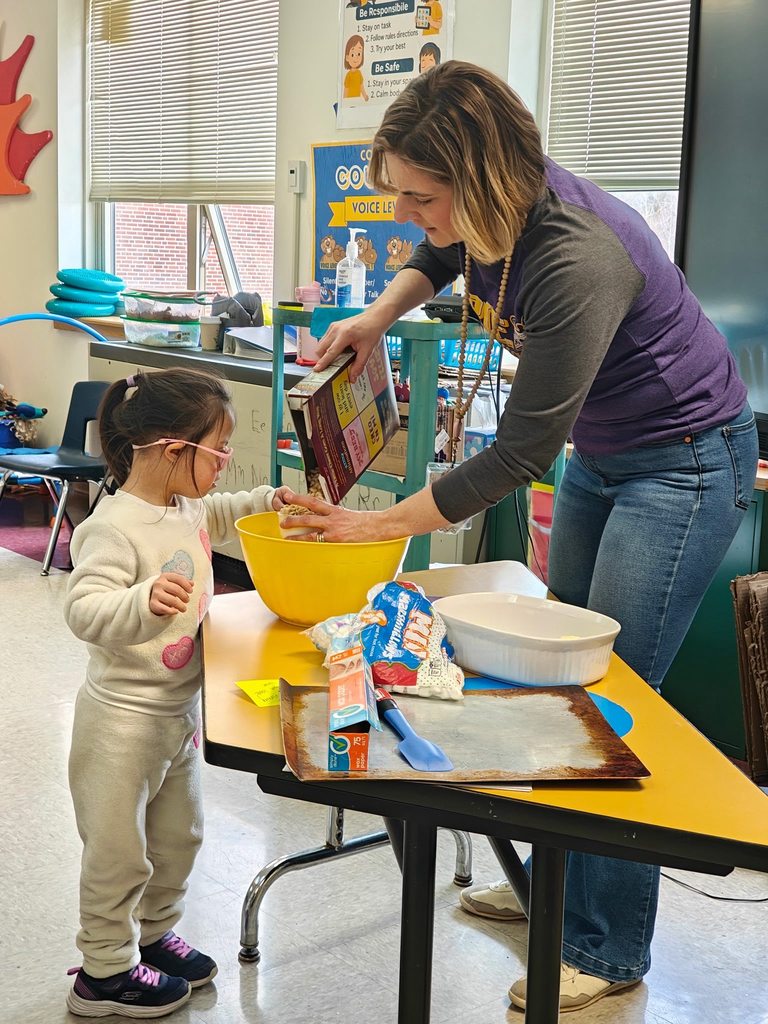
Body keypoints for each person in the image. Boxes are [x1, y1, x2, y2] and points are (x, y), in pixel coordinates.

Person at [278, 60, 758, 1014]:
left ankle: (608, 946)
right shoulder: (490, 220)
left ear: (483, 176)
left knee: (614, 701)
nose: (413, 217)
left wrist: (382, 523)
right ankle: (549, 892)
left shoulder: (578, 253)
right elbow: (447, 259)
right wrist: (375, 317)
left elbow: (520, 452)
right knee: (548, 686)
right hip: (607, 453)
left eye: (423, 197)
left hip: (684, 464)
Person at [64, 367, 292, 1018]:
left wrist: (267, 500)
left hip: (176, 715)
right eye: (218, 451)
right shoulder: (112, 525)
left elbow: (216, 512)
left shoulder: (182, 504)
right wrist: (140, 602)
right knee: (117, 854)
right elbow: (84, 608)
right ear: (172, 451)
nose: (225, 464)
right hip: (120, 724)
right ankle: (103, 974)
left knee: (179, 837)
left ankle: (155, 937)